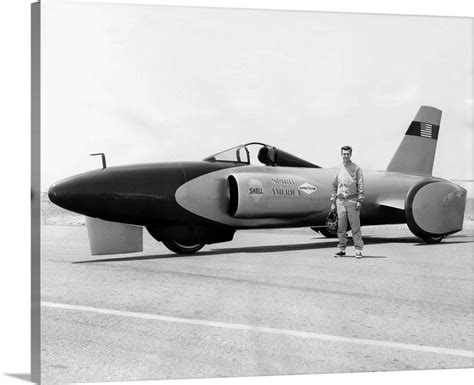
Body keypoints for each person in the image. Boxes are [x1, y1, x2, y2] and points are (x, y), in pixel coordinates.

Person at [330, 146, 365, 259]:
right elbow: (334, 185)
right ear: (341, 154)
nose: (345, 156)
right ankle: (342, 249)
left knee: (355, 226)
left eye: (347, 154)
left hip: (352, 200)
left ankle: (358, 250)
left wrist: (360, 200)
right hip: (340, 201)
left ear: (351, 154)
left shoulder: (356, 168)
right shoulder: (339, 168)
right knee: (341, 227)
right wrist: (333, 201)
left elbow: (360, 185)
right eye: (344, 154)